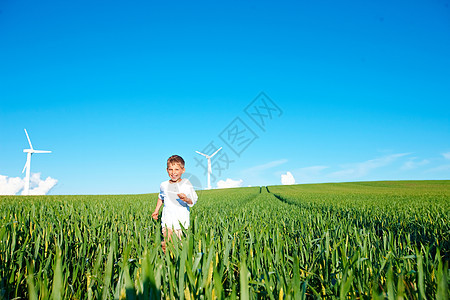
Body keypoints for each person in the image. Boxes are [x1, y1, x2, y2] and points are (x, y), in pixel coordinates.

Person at [152, 155, 198, 252]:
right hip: (167, 223)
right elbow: (161, 198)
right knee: (166, 247)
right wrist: (156, 211)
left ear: (183, 170)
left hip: (181, 224)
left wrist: (186, 199)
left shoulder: (186, 183)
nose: (173, 172)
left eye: (177, 169)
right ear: (167, 170)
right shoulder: (163, 185)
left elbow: (193, 200)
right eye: (170, 169)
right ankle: (166, 264)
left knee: (180, 249)